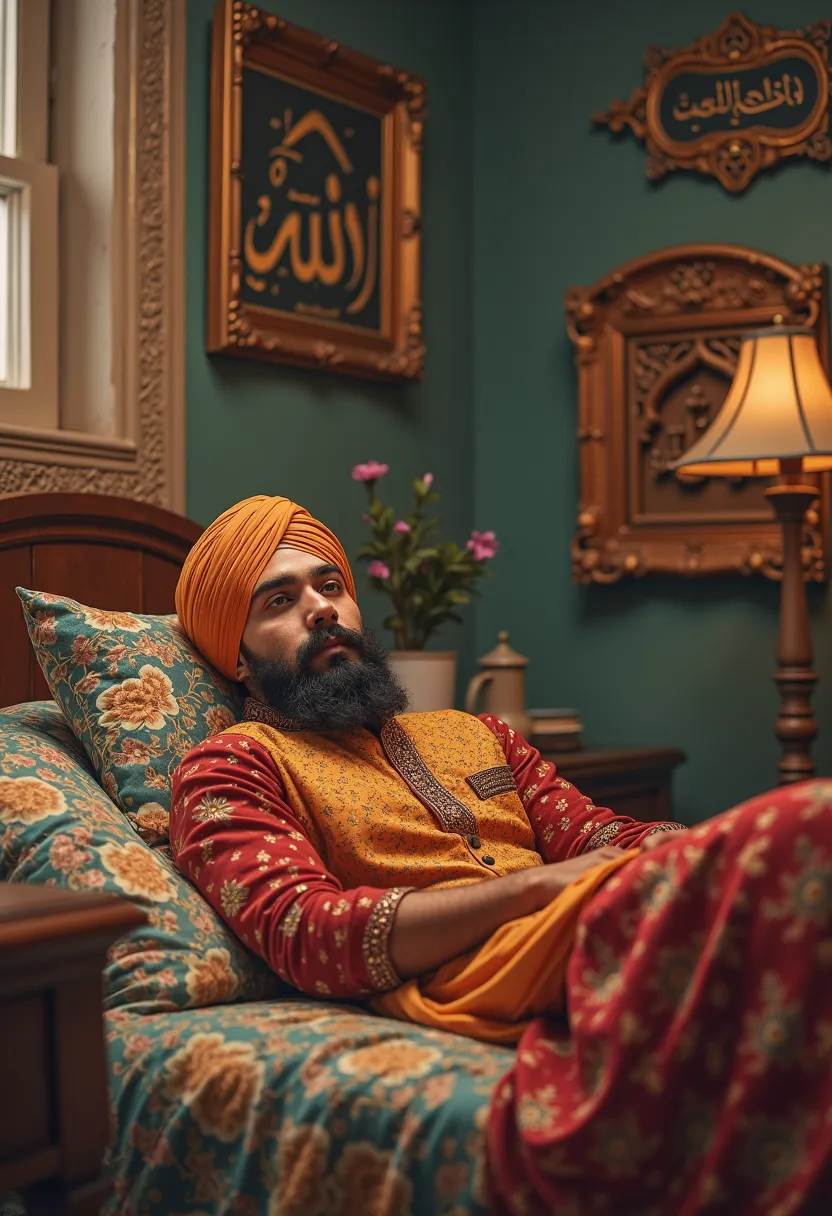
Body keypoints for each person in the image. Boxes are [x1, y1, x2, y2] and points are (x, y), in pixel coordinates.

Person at [170, 494, 832, 1216]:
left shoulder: (473, 731)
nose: (321, 609)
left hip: (583, 914)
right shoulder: (231, 768)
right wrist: (537, 892)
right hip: (473, 969)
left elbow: (595, 835)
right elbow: (311, 933)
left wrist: (702, 849)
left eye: (331, 587)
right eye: (280, 600)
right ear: (234, 654)